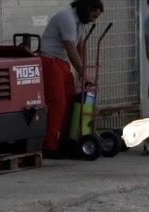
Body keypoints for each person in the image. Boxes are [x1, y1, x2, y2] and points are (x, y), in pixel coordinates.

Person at [39, 0, 105, 154]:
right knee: (58, 102)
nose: (93, 20)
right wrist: (82, 72)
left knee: (72, 101)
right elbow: (70, 48)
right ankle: (50, 145)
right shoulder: (66, 18)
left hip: (62, 63)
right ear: (87, 8)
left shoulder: (81, 23)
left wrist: (84, 72)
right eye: (93, 15)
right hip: (49, 61)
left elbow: (81, 47)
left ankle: (65, 141)